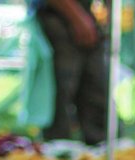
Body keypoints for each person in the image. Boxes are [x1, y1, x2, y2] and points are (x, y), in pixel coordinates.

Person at [31, 0, 114, 145]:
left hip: (89, 17)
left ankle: (102, 147)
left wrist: (107, 14)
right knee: (59, 90)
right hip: (58, 16)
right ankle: (58, 152)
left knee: (96, 89)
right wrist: (78, 18)